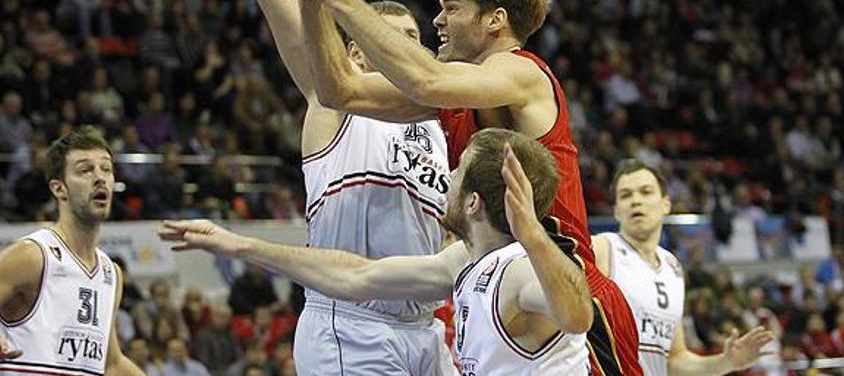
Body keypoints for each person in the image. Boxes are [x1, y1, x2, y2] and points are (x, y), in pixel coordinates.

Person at [273, 0, 642, 374]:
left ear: (495, 19)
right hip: (491, 287)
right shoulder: (456, 94)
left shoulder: (521, 72)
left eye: (452, 8)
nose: (438, 22)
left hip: (559, 291)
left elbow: (426, 79)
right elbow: (339, 91)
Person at [160, 128, 593, 375]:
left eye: (457, 172)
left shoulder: (517, 268)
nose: (448, 179)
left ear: (474, 202)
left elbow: (577, 314)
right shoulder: (466, 262)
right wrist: (239, 244)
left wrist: (534, 235)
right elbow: (357, 276)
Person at [250, 0, 454, 374]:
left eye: (413, 39)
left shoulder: (439, 120)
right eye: (391, 36)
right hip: (351, 324)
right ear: (356, 51)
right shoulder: (334, 98)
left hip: (425, 328)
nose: (406, 48)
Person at [593, 159, 775, 376]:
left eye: (645, 192)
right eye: (625, 195)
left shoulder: (673, 268)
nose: (635, 201)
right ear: (615, 211)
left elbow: (676, 360)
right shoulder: (602, 248)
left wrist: (727, 362)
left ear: (665, 204)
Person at [0, 126, 143, 375]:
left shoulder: (111, 274)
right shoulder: (32, 256)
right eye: (85, 170)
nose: (100, 178)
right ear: (59, 188)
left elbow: (112, 363)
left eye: (106, 169)